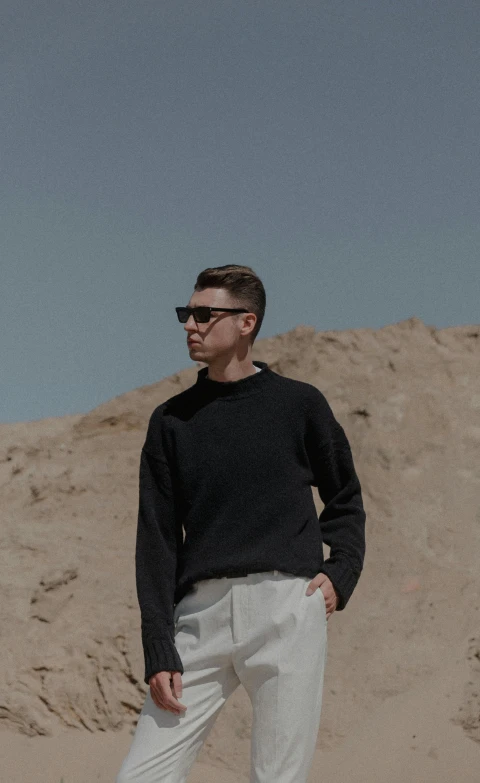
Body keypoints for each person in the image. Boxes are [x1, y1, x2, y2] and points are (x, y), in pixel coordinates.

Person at [116, 264, 366, 783]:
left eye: (204, 314)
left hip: (286, 611)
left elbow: (344, 496)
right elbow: (156, 541)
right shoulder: (171, 421)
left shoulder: (299, 404)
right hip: (198, 619)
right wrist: (159, 644)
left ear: (246, 322)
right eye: (187, 314)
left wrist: (341, 574)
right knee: (141, 776)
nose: (190, 325)